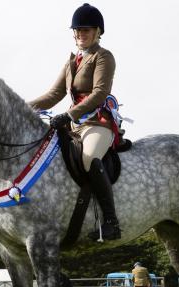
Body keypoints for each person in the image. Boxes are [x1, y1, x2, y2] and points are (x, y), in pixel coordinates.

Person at [29, 3, 121, 241]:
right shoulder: (72, 61)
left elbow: (100, 92)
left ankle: (111, 222)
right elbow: (53, 95)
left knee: (89, 157)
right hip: (74, 125)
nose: (81, 34)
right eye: (77, 30)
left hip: (98, 122)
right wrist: (23, 108)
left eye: (86, 29)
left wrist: (69, 115)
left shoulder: (103, 57)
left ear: (98, 31)